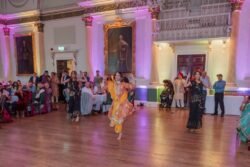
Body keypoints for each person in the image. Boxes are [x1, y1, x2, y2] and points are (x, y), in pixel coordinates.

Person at [107, 72, 134, 140]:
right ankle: (119, 131)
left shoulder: (123, 84)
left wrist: (132, 80)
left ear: (121, 77)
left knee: (119, 119)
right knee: (115, 118)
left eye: (118, 75)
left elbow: (131, 87)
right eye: (116, 75)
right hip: (115, 104)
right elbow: (109, 90)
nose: (117, 76)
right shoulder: (113, 84)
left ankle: (120, 133)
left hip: (121, 104)